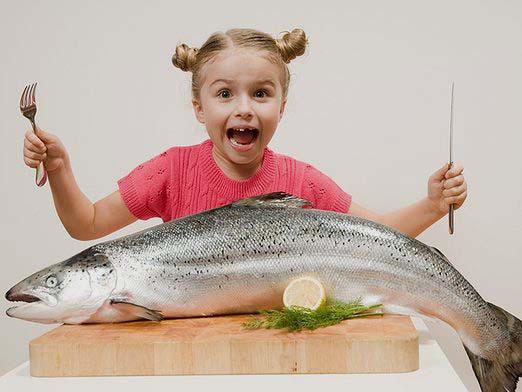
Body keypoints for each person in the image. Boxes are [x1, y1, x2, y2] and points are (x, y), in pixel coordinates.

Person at [22, 28, 467, 241]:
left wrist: (432, 204)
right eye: (224, 94)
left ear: (282, 107)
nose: (244, 109)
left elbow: (379, 235)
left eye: (260, 93)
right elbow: (88, 224)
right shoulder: (170, 171)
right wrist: (59, 169)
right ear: (199, 108)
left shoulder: (302, 182)